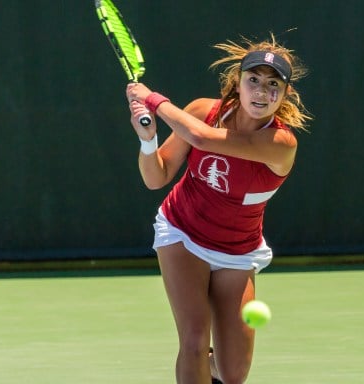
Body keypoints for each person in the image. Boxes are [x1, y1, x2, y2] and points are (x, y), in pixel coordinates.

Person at [125, 34, 311, 384]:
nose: (260, 91)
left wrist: (152, 99)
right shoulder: (201, 112)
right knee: (194, 340)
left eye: (273, 85)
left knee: (233, 373)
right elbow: (156, 177)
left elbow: (202, 139)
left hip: (238, 250)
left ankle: (209, 367)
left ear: (284, 95)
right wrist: (146, 140)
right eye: (252, 80)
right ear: (237, 83)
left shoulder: (282, 143)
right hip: (183, 231)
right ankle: (197, 361)